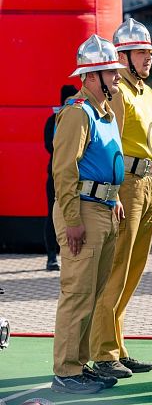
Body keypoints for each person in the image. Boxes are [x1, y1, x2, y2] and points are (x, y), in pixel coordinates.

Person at [51, 35, 125, 395]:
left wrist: (115, 199)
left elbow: (103, 164)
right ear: (92, 75)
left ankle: (79, 365)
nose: (117, 77)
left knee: (92, 294)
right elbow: (64, 170)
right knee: (78, 293)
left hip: (104, 208)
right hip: (83, 209)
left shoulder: (103, 113)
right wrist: (72, 220)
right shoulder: (78, 113)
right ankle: (66, 371)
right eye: (111, 72)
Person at [90, 19, 152, 380]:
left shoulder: (147, 92)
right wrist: (115, 191)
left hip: (151, 181)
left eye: (149, 53)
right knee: (117, 269)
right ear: (122, 56)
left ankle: (116, 345)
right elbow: (110, 144)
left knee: (133, 270)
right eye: (140, 53)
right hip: (129, 184)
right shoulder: (117, 93)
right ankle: (103, 352)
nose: (148, 59)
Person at [44, 84, 77, 271]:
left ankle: (73, 258)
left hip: (78, 176)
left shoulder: (83, 118)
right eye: (68, 101)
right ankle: (51, 256)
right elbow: (49, 145)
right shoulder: (53, 120)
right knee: (52, 214)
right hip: (56, 175)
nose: (71, 104)